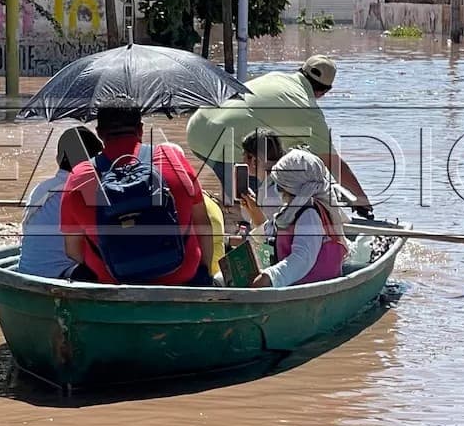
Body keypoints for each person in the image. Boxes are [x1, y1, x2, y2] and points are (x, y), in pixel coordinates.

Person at [185, 55, 373, 216]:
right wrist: (361, 200)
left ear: (301, 70)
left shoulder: (276, 77)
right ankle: (250, 246)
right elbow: (333, 163)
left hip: (197, 126)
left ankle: (224, 227)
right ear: (324, 92)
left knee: (239, 199)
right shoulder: (309, 111)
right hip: (227, 141)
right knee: (257, 207)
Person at [60, 95, 213, 285]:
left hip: (113, 286)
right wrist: (204, 273)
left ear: (99, 133)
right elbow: (203, 223)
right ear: (140, 129)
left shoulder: (79, 177)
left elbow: (72, 251)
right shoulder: (173, 159)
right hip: (182, 280)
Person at [251, 149, 348, 288]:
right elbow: (267, 232)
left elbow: (302, 258)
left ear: (292, 189)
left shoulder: (309, 215)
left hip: (310, 286)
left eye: (279, 187)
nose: (278, 191)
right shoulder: (292, 210)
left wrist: (270, 277)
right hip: (296, 281)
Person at [17, 126, 103, 278]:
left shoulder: (41, 189)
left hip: (26, 270)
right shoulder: (86, 192)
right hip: (60, 275)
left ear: (59, 158)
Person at [237, 127, 285, 227]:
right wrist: (252, 208)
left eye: (244, 155)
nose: (242, 160)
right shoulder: (277, 183)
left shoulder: (271, 195)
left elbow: (267, 239)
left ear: (254, 160)